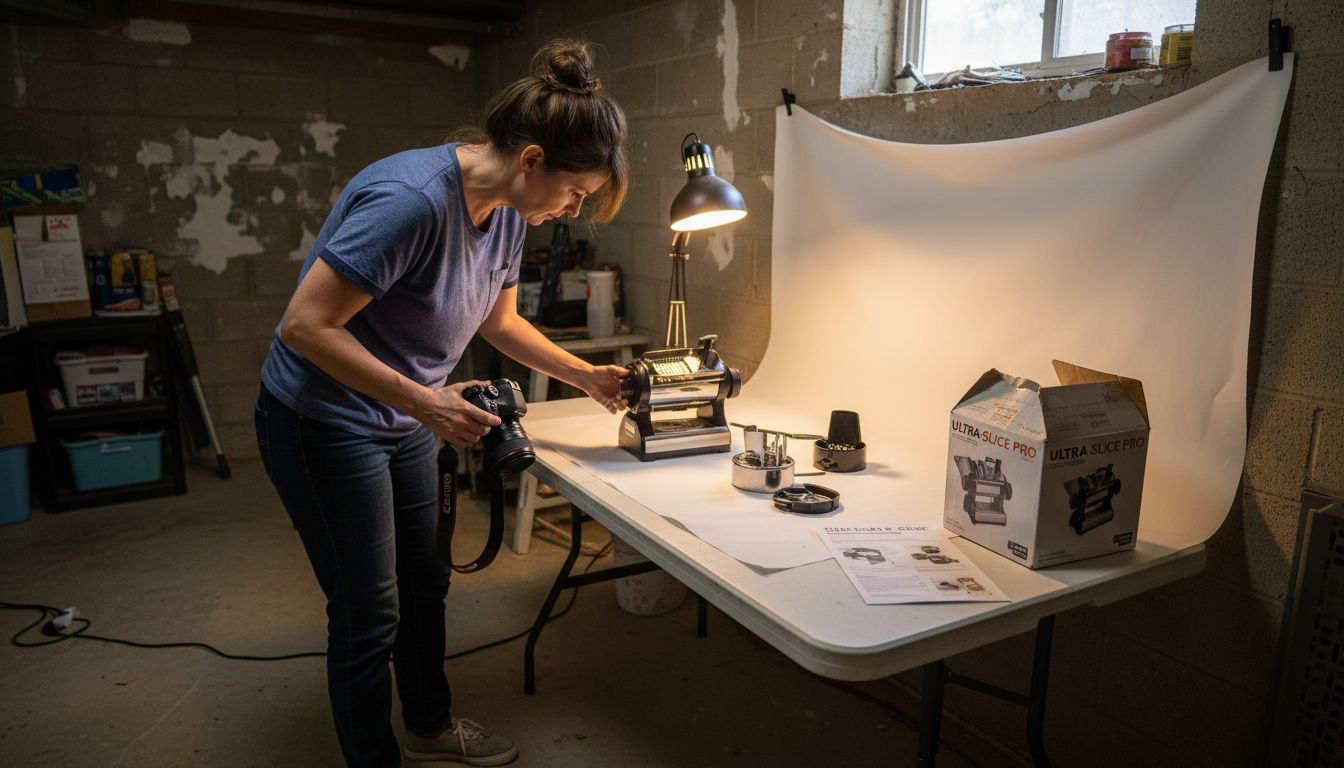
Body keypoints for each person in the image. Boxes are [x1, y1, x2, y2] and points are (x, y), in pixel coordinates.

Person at [254, 39, 629, 768]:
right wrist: (426, 402)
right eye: (576, 192)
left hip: (404, 416)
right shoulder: (411, 202)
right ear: (531, 160)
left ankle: (428, 726)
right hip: (324, 422)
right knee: (368, 612)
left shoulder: (513, 210)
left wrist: (585, 375)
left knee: (425, 582)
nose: (574, 208)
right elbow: (304, 326)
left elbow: (499, 322)